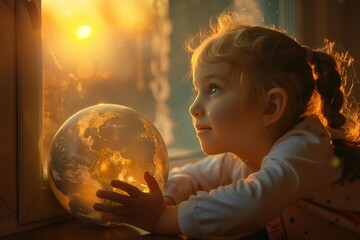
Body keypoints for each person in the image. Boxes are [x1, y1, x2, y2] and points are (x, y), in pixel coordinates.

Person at [93, 10, 360, 239]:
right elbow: (194, 175)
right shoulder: (246, 155)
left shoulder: (305, 150)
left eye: (213, 89)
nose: (194, 108)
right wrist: (167, 198)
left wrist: (164, 218)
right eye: (198, 91)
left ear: (270, 107)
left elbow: (254, 202)